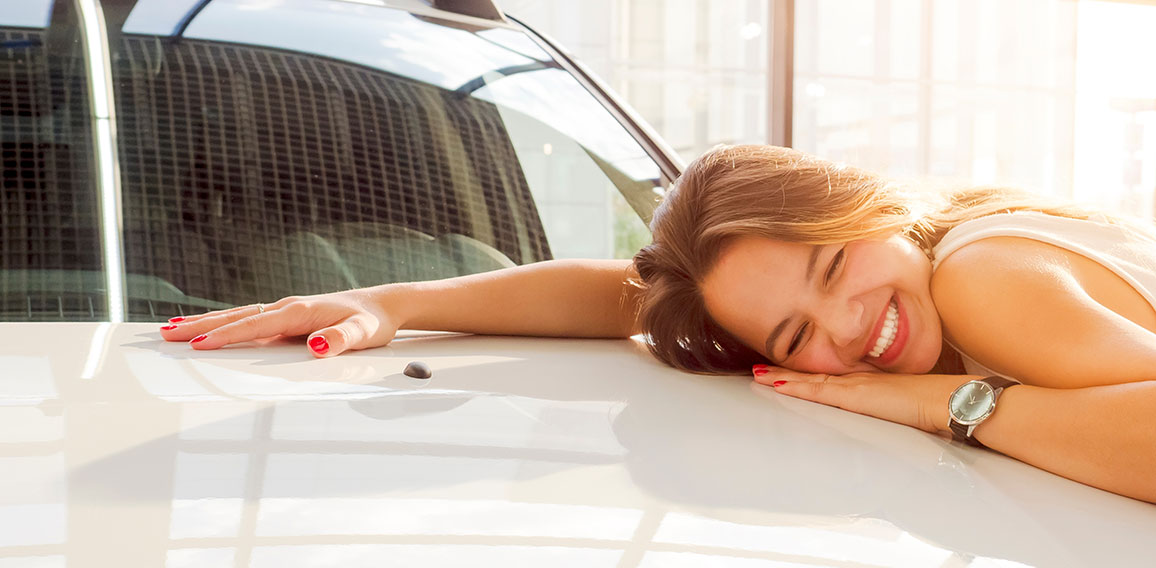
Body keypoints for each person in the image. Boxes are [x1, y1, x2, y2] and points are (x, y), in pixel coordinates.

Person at [159, 144, 1156, 504]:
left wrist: (953, 402)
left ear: (867, 210)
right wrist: (395, 302)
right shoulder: (929, 252)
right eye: (793, 337)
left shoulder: (983, 278)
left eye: (831, 267)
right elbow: (624, 294)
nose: (849, 332)